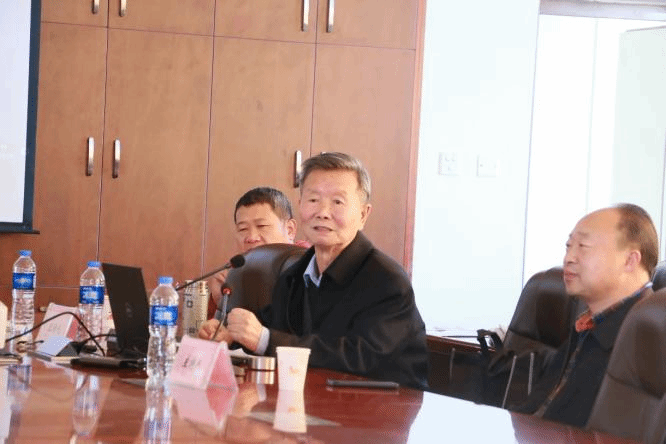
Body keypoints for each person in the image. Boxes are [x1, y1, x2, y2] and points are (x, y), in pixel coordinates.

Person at [204, 152, 429, 389]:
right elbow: (272, 325)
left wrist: (264, 339)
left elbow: (361, 358)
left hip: (382, 404)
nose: (322, 212)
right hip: (310, 398)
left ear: (363, 214)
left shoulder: (386, 280)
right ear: (300, 205)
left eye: (337, 202)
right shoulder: (295, 273)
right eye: (313, 200)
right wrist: (230, 334)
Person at [510, 203, 658, 427]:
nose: (569, 258)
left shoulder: (648, 334)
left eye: (583, 246)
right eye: (568, 246)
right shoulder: (588, 324)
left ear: (630, 260)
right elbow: (540, 410)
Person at [198, 187, 301, 333]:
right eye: (243, 229)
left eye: (261, 226)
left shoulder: (310, 269)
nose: (251, 238)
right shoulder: (236, 273)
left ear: (290, 230)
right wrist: (221, 302)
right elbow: (216, 336)